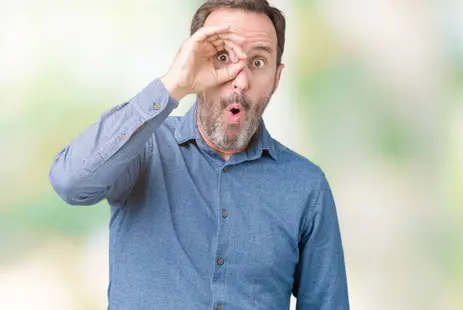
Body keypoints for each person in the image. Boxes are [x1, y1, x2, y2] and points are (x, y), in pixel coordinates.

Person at [48, 0, 349, 309]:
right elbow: (70, 183)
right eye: (222, 57)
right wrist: (172, 86)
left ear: (276, 77)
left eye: (258, 62)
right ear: (193, 62)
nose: (240, 80)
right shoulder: (143, 148)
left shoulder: (306, 186)